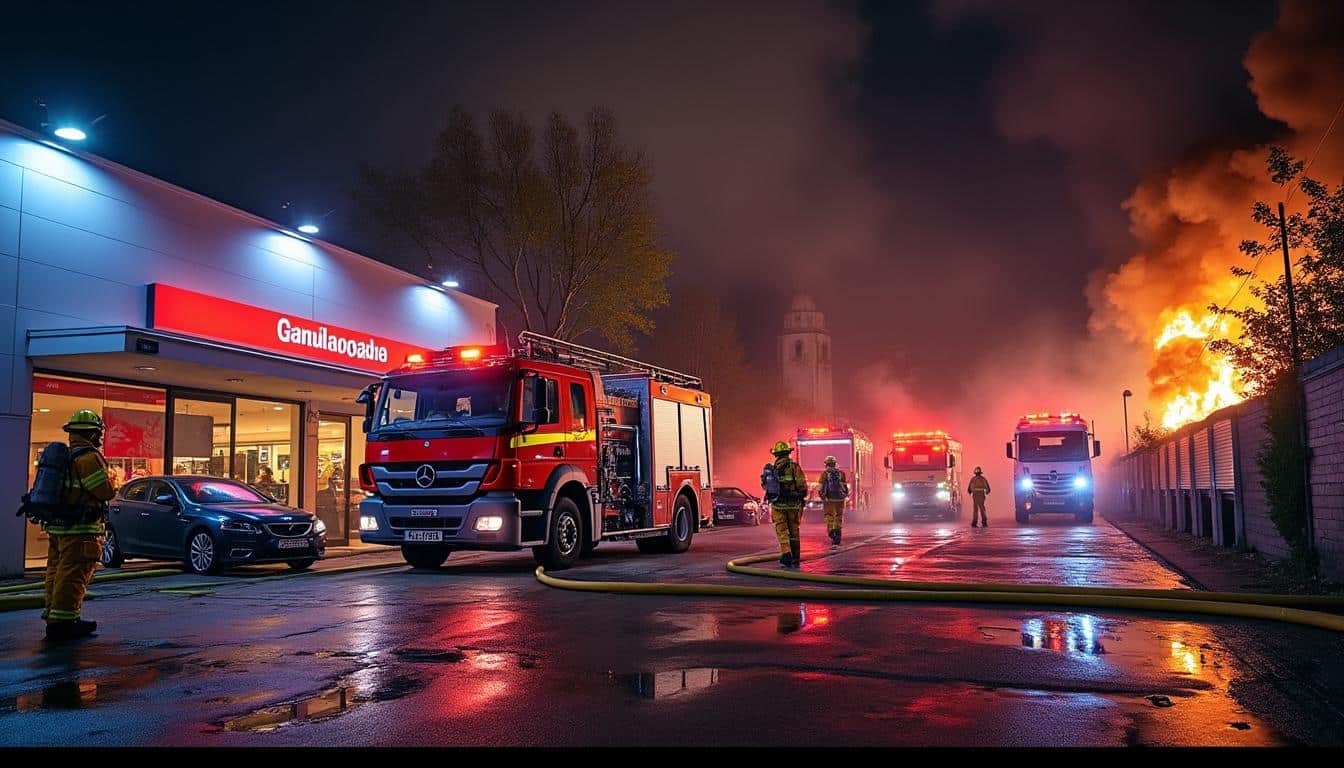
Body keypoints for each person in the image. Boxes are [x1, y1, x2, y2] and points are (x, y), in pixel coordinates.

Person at [43, 409, 116, 642]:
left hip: (59, 527)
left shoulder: (66, 457)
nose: (100, 438)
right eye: (98, 433)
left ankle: (55, 617)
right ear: (92, 434)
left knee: (56, 573)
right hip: (80, 530)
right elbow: (104, 491)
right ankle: (65, 623)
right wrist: (112, 480)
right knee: (73, 576)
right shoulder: (88, 458)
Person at [763, 440, 808, 568]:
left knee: (782, 530)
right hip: (794, 506)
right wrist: (798, 496)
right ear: (788, 453)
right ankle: (796, 557)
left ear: (776, 455)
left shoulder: (772, 469)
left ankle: (786, 553)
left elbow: (765, 486)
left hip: (778, 505)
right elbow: (802, 487)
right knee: (794, 532)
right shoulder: (794, 467)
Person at [819, 455, 850, 546]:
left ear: (826, 464)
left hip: (829, 499)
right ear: (835, 463)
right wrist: (845, 495)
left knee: (829, 516)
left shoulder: (824, 474)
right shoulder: (841, 473)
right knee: (839, 516)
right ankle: (838, 533)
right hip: (840, 499)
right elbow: (845, 487)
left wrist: (823, 497)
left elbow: (820, 487)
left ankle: (831, 532)